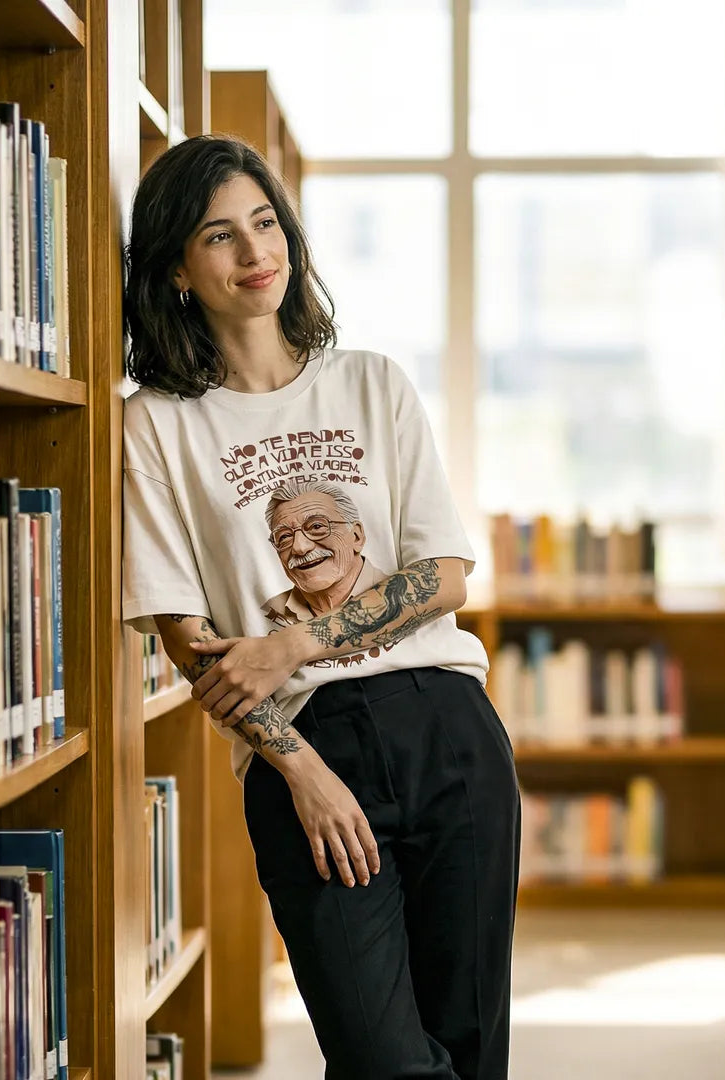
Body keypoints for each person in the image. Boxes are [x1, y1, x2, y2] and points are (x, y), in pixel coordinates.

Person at [121, 133, 521, 1080]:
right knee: (381, 1058)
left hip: (448, 725)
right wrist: (302, 773)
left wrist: (294, 640)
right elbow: (195, 646)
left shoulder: (371, 382)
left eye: (266, 224)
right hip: (305, 753)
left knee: (470, 1049)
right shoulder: (156, 424)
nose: (254, 253)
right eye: (219, 236)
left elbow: (447, 576)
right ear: (177, 265)